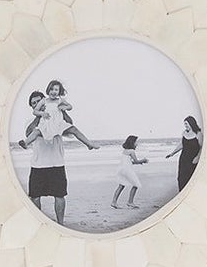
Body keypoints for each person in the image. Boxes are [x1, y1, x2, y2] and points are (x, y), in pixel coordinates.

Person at [16, 89, 94, 224]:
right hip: (38, 164)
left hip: (57, 163)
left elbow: (71, 125)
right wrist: (40, 115)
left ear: (44, 101)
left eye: (38, 101)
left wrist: (61, 110)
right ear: (32, 107)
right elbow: (28, 133)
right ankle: (38, 222)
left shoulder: (56, 118)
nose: (36, 104)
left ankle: (60, 223)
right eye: (34, 103)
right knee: (35, 196)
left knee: (59, 195)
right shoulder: (30, 121)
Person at [165, 115, 203, 193]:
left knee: (191, 179)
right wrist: (172, 153)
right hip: (183, 159)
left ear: (191, 123)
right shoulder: (184, 133)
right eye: (184, 124)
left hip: (193, 160)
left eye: (186, 124)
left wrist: (197, 157)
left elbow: (202, 147)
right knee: (181, 178)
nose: (185, 126)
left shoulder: (198, 134)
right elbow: (182, 145)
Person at [111, 135, 144, 212]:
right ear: (132, 143)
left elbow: (129, 162)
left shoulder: (125, 151)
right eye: (136, 142)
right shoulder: (132, 151)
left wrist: (139, 162)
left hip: (121, 169)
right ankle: (130, 202)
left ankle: (114, 202)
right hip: (127, 170)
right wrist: (143, 160)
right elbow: (136, 161)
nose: (137, 144)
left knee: (121, 185)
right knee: (136, 184)